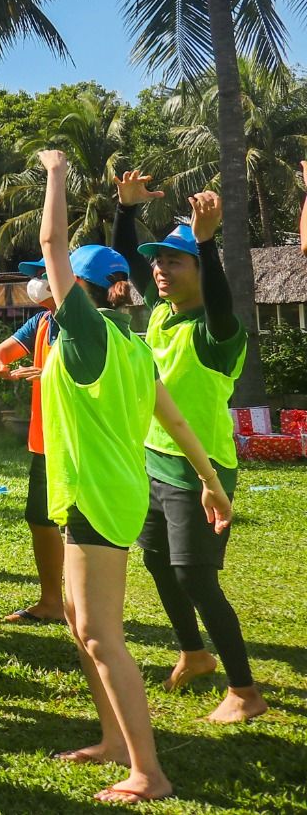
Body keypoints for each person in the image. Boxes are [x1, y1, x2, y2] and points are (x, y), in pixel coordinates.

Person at [35, 149, 235, 804]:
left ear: (81, 291)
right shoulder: (133, 342)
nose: (50, 287)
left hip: (98, 496)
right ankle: (115, 741)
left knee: (101, 636)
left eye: (60, 283)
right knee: (78, 623)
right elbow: (175, 420)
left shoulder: (88, 334)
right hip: (109, 491)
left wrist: (56, 173)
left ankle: (149, 771)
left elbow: (51, 243)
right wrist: (210, 481)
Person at [113, 170, 266, 725]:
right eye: (158, 262)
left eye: (173, 262)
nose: (159, 270)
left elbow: (222, 302)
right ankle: (194, 654)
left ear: (201, 270)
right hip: (154, 459)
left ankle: (245, 691)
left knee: (195, 577)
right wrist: (126, 211)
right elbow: (130, 262)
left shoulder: (218, 331)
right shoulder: (161, 312)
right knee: (158, 563)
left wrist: (206, 242)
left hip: (203, 470)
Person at [0, 264, 65, 625]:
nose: (38, 283)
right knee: (40, 520)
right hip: (45, 442)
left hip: (81, 443)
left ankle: (88, 610)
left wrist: (51, 374)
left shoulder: (91, 324)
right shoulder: (42, 322)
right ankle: (52, 602)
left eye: (45, 274)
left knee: (82, 528)